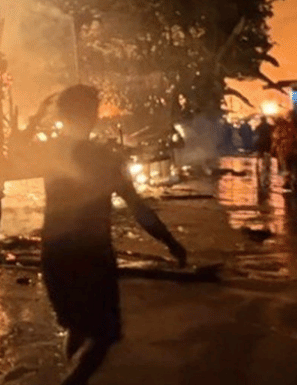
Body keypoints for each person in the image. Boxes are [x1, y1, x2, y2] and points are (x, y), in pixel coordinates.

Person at [37, 85, 187, 385]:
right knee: (104, 333)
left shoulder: (48, 152)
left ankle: (73, 374)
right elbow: (137, 206)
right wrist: (170, 241)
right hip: (90, 256)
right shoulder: (103, 157)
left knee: (77, 327)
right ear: (90, 115)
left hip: (54, 254)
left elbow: (8, 160)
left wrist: (34, 119)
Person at [271, 110, 297, 190]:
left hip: (283, 150)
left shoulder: (282, 126)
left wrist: (273, 149)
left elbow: (275, 137)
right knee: (294, 167)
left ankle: (287, 183)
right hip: (295, 151)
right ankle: (294, 183)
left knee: (285, 167)